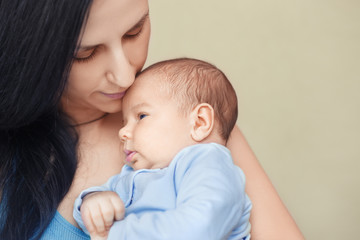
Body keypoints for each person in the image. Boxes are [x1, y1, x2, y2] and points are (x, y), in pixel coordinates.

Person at [0, 0, 304, 239]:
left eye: (135, 31)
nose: (124, 75)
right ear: (31, 50)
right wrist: (93, 203)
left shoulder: (190, 124)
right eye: (87, 53)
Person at [73, 58, 252, 240]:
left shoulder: (209, 164)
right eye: (124, 122)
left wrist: (117, 233)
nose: (122, 132)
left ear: (199, 123)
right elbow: (92, 221)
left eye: (141, 116)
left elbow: (199, 228)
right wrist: (94, 201)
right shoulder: (129, 177)